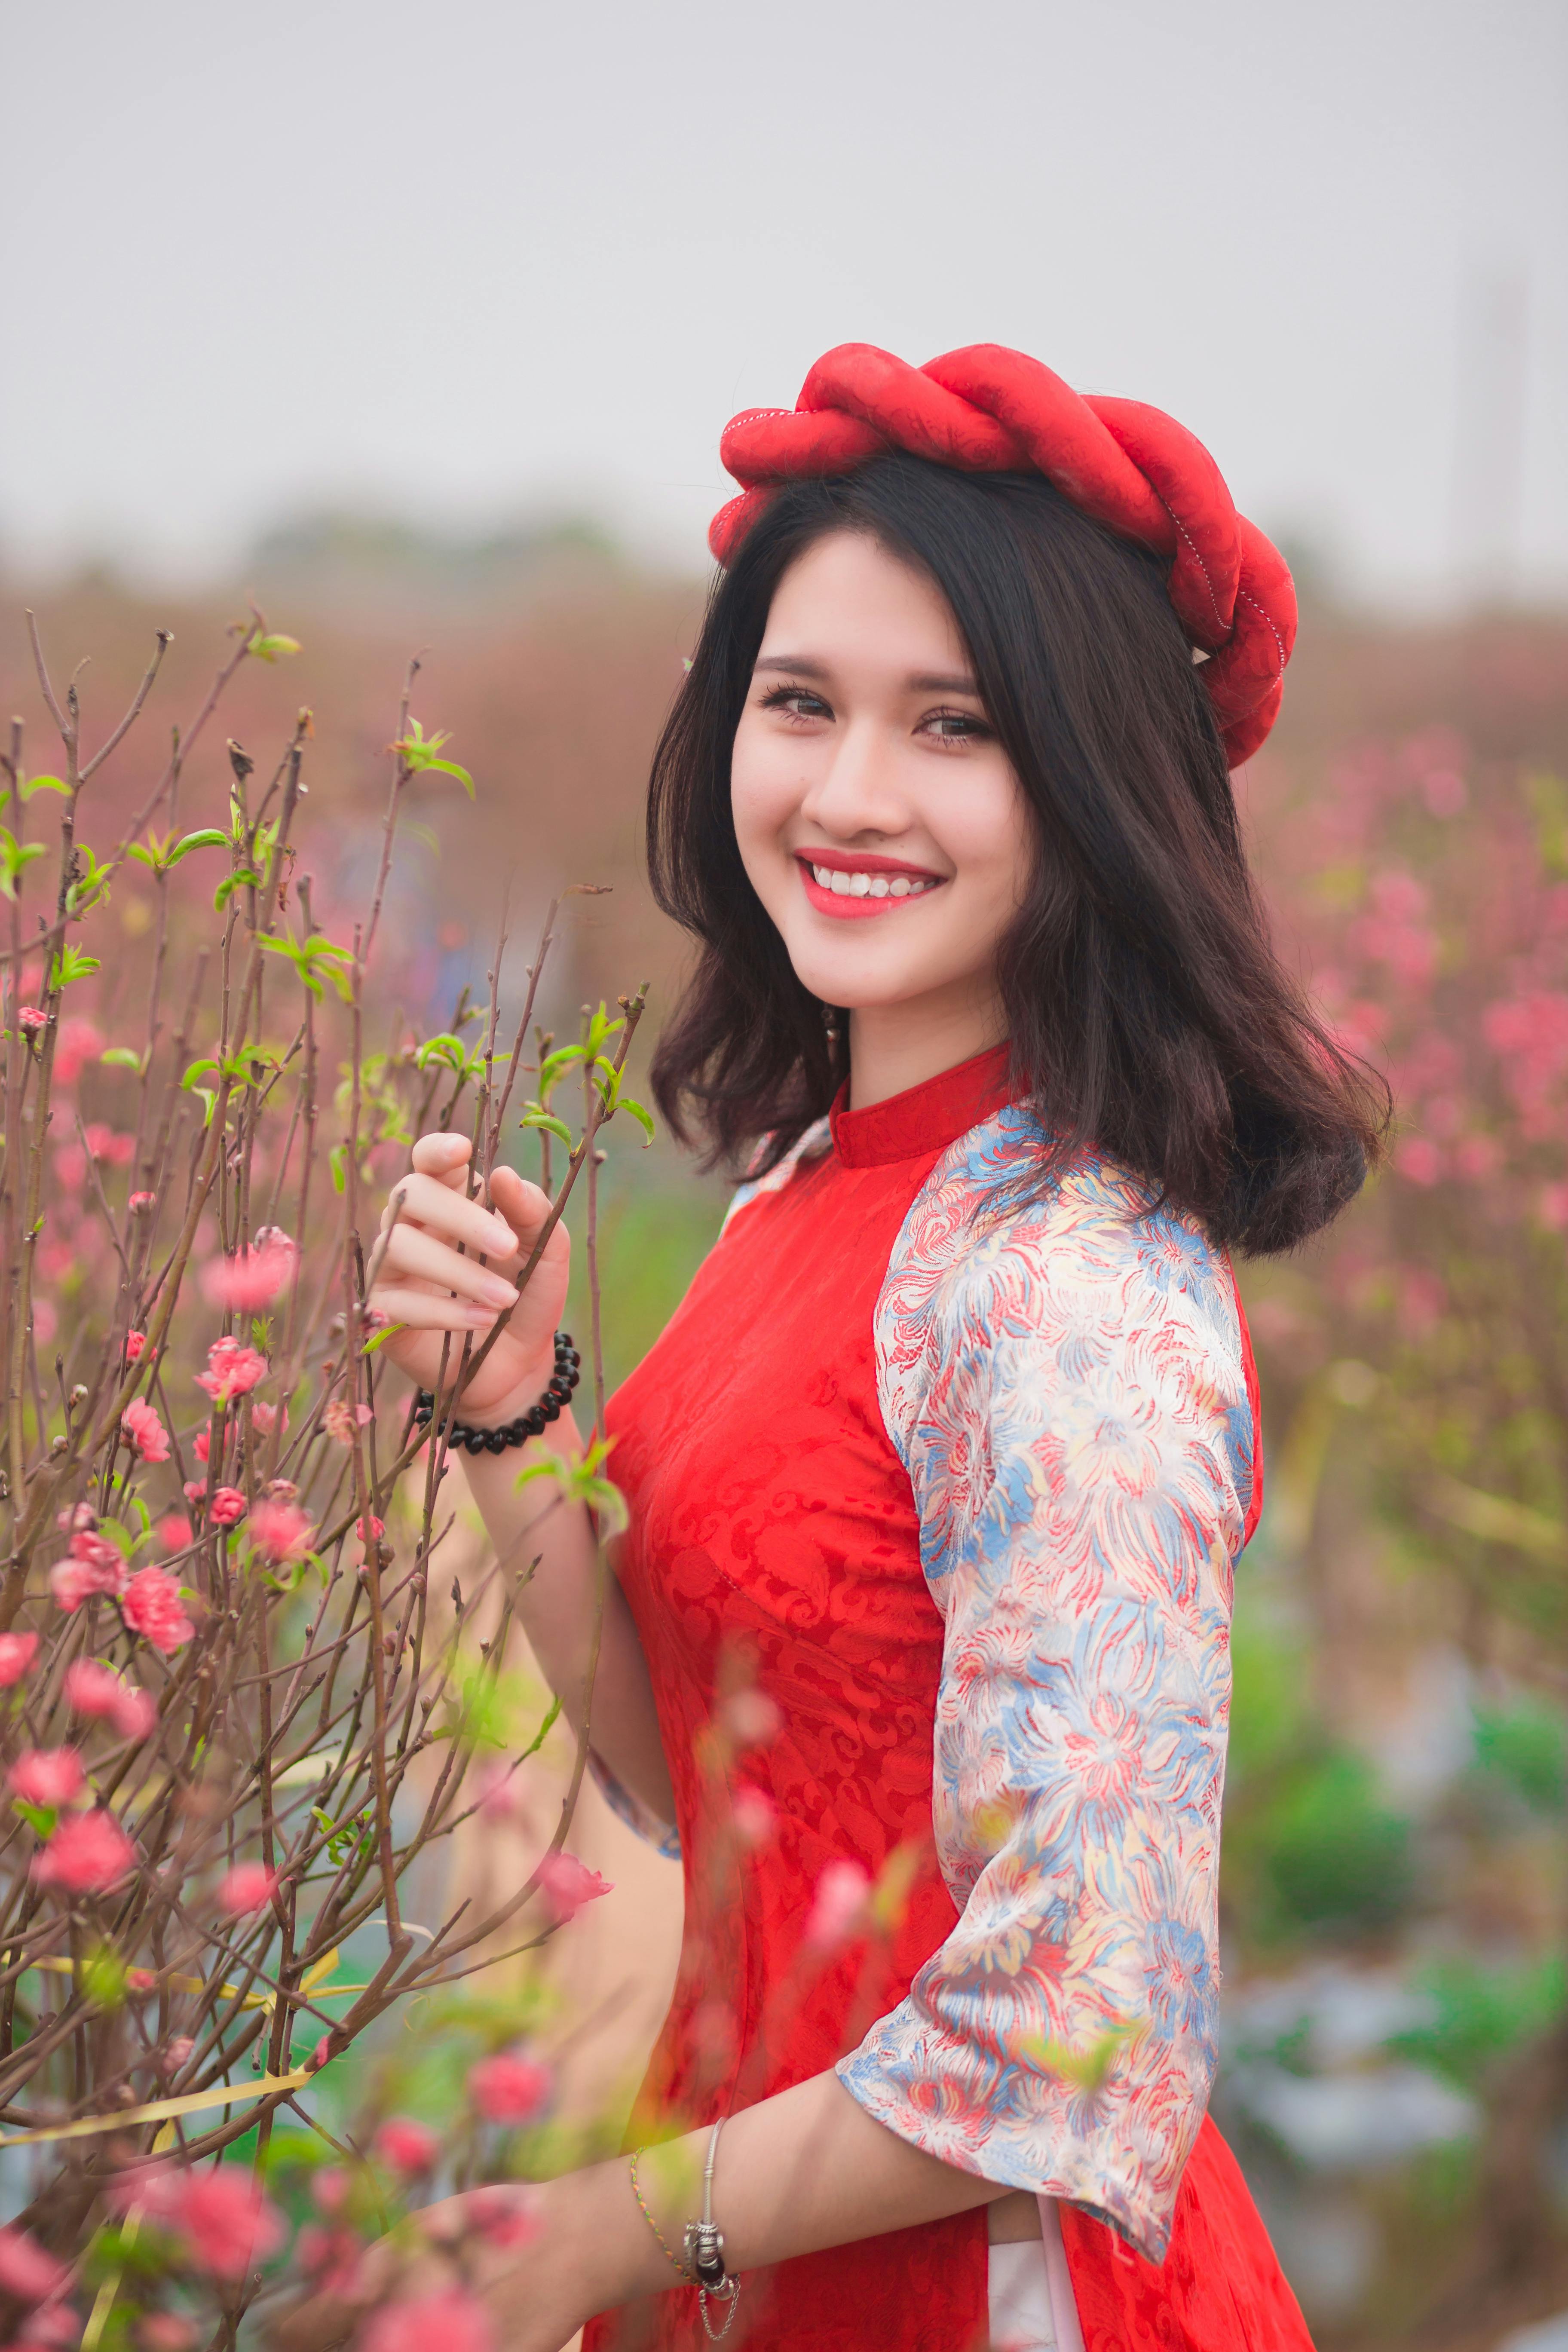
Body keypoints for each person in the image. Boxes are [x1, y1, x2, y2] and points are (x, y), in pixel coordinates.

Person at [355, 346, 1384, 2351]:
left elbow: (1080, 2032)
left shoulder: (1066, 1284)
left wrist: (600, 2233)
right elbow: (701, 1776)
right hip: (754, 2253)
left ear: (1093, 786)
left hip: (995, 2298)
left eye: (954, 726)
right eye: (801, 703)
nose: (847, 795)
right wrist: (514, 1408)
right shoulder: (818, 1182)